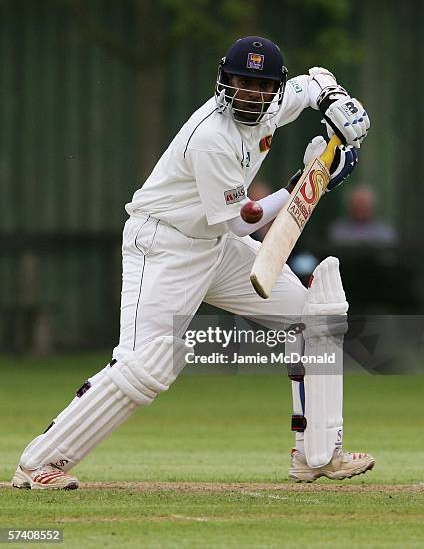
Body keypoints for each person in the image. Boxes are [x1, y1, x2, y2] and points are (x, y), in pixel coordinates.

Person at [12, 36, 374, 490]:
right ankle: (39, 462)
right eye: (241, 82)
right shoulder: (211, 137)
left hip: (213, 244)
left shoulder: (276, 102)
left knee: (309, 320)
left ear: (274, 89)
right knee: (143, 365)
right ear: (225, 81)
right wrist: (309, 181)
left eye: (261, 86)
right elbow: (244, 222)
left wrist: (338, 101)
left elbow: (318, 79)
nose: (250, 94)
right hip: (164, 245)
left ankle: (317, 455)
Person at [329, 185, 397, 246]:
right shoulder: (338, 230)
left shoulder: (384, 232)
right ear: (350, 207)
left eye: (364, 206)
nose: (360, 209)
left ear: (372, 208)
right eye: (357, 206)